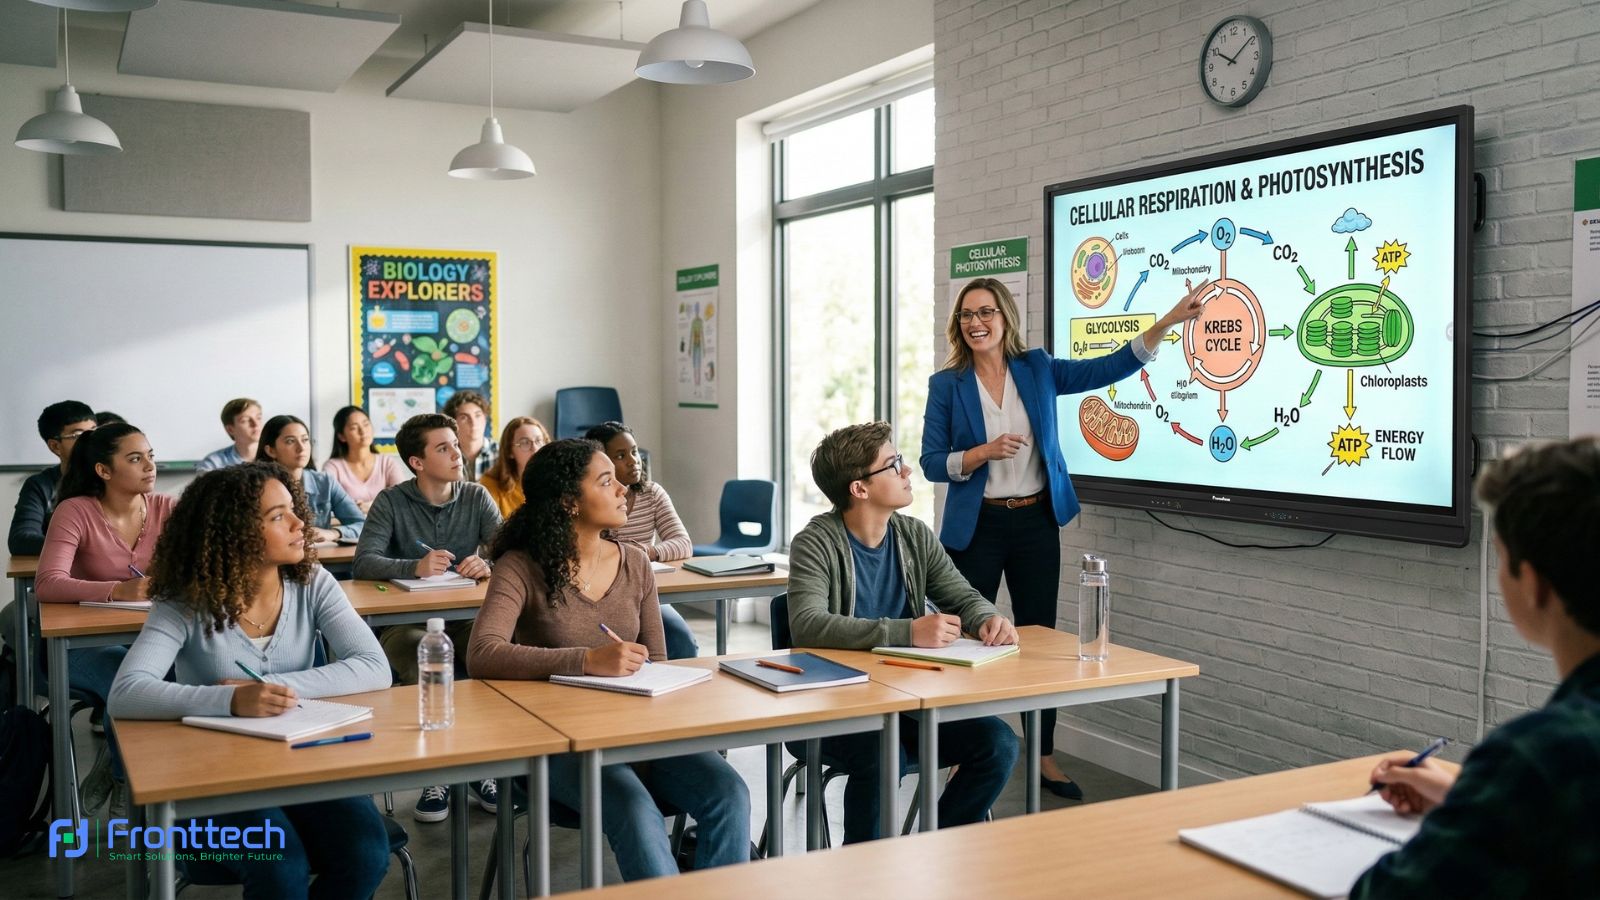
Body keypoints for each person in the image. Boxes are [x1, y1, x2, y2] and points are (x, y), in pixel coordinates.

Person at [920, 276, 1206, 799]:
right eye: (966, 315)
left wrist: (1165, 323)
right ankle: (964, 750)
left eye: (986, 312)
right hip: (975, 526)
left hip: (1033, 523)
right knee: (961, 639)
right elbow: (930, 463)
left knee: (1039, 641)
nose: (976, 322)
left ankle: (1044, 755)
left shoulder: (1038, 368)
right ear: (958, 325)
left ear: (1005, 318)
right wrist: (982, 452)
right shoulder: (948, 384)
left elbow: (1106, 368)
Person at [467, 438, 751, 880]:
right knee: (636, 810)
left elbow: (658, 663)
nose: (624, 488)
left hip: (640, 733)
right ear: (568, 502)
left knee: (729, 792)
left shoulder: (635, 561)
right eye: (607, 481)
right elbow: (482, 653)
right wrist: (586, 660)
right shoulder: (519, 566)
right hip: (562, 744)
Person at [109, 462, 391, 899]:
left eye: (293, 510)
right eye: (279, 516)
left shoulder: (312, 582)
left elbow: (375, 666)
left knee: (367, 854)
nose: (301, 523)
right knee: (281, 866)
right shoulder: (185, 599)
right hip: (214, 774)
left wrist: (274, 690)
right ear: (233, 532)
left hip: (303, 760)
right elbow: (126, 694)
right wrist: (230, 702)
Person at [1349, 437, 1600, 896]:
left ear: (1534, 584)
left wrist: (1475, 808)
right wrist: (1470, 798)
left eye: (1501, 556)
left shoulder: (1541, 754)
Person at [789, 421, 1021, 843]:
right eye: (893, 464)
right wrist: (907, 633)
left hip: (909, 702)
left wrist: (987, 617)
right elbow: (807, 623)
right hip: (837, 710)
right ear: (859, 488)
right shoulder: (814, 542)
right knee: (884, 755)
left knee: (998, 743)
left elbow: (960, 594)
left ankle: (934, 847)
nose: (906, 470)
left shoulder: (914, 535)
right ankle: (867, 870)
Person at [353, 412, 501, 822]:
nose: (457, 453)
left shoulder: (475, 497)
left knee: (489, 655)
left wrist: (486, 562)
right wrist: (412, 567)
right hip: (406, 623)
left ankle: (482, 767)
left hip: (467, 617)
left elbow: (508, 550)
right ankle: (439, 771)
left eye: (455, 444)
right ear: (416, 462)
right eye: (443, 448)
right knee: (430, 659)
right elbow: (364, 561)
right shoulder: (392, 501)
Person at [34, 422, 176, 814]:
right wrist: (117, 589)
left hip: (148, 638)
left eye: (151, 456)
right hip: (80, 647)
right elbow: (48, 583)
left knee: (188, 674)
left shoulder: (168, 508)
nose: (149, 465)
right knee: (129, 678)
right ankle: (135, 785)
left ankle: (118, 766)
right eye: (135, 458)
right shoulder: (75, 510)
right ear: (103, 470)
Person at [585, 421, 699, 659]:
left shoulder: (651, 493)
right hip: (599, 596)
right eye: (620, 455)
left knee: (682, 641)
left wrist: (648, 552)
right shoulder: (591, 501)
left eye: (634, 451)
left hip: (646, 595)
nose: (633, 460)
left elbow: (682, 542)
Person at [256, 414, 365, 542]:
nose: (301, 448)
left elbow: (362, 524)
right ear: (271, 451)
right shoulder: (258, 486)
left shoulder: (325, 482)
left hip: (319, 557)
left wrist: (334, 533)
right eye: (290, 441)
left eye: (305, 440)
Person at [8, 400, 95, 556]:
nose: (90, 441)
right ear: (55, 446)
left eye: (94, 431)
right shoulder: (41, 485)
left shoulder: (113, 478)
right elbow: (20, 539)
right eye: (78, 435)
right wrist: (82, 548)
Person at [323, 405, 411, 513]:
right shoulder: (333, 467)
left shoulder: (387, 463)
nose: (363, 431)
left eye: (366, 424)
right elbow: (326, 506)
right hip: (348, 528)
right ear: (342, 436)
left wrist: (369, 506)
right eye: (354, 428)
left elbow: (402, 499)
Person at [480, 416, 550, 517]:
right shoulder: (490, 485)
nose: (535, 449)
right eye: (525, 442)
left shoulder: (559, 483)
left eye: (539, 441)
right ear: (509, 451)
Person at [197, 397, 263, 471]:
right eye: (245, 420)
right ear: (230, 429)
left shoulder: (275, 457)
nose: (256, 424)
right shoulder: (213, 464)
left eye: (258, 418)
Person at [443, 390, 496, 482]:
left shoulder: (501, 454)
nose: (473, 422)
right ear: (453, 423)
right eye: (464, 417)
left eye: (478, 415)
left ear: (485, 419)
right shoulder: (444, 456)